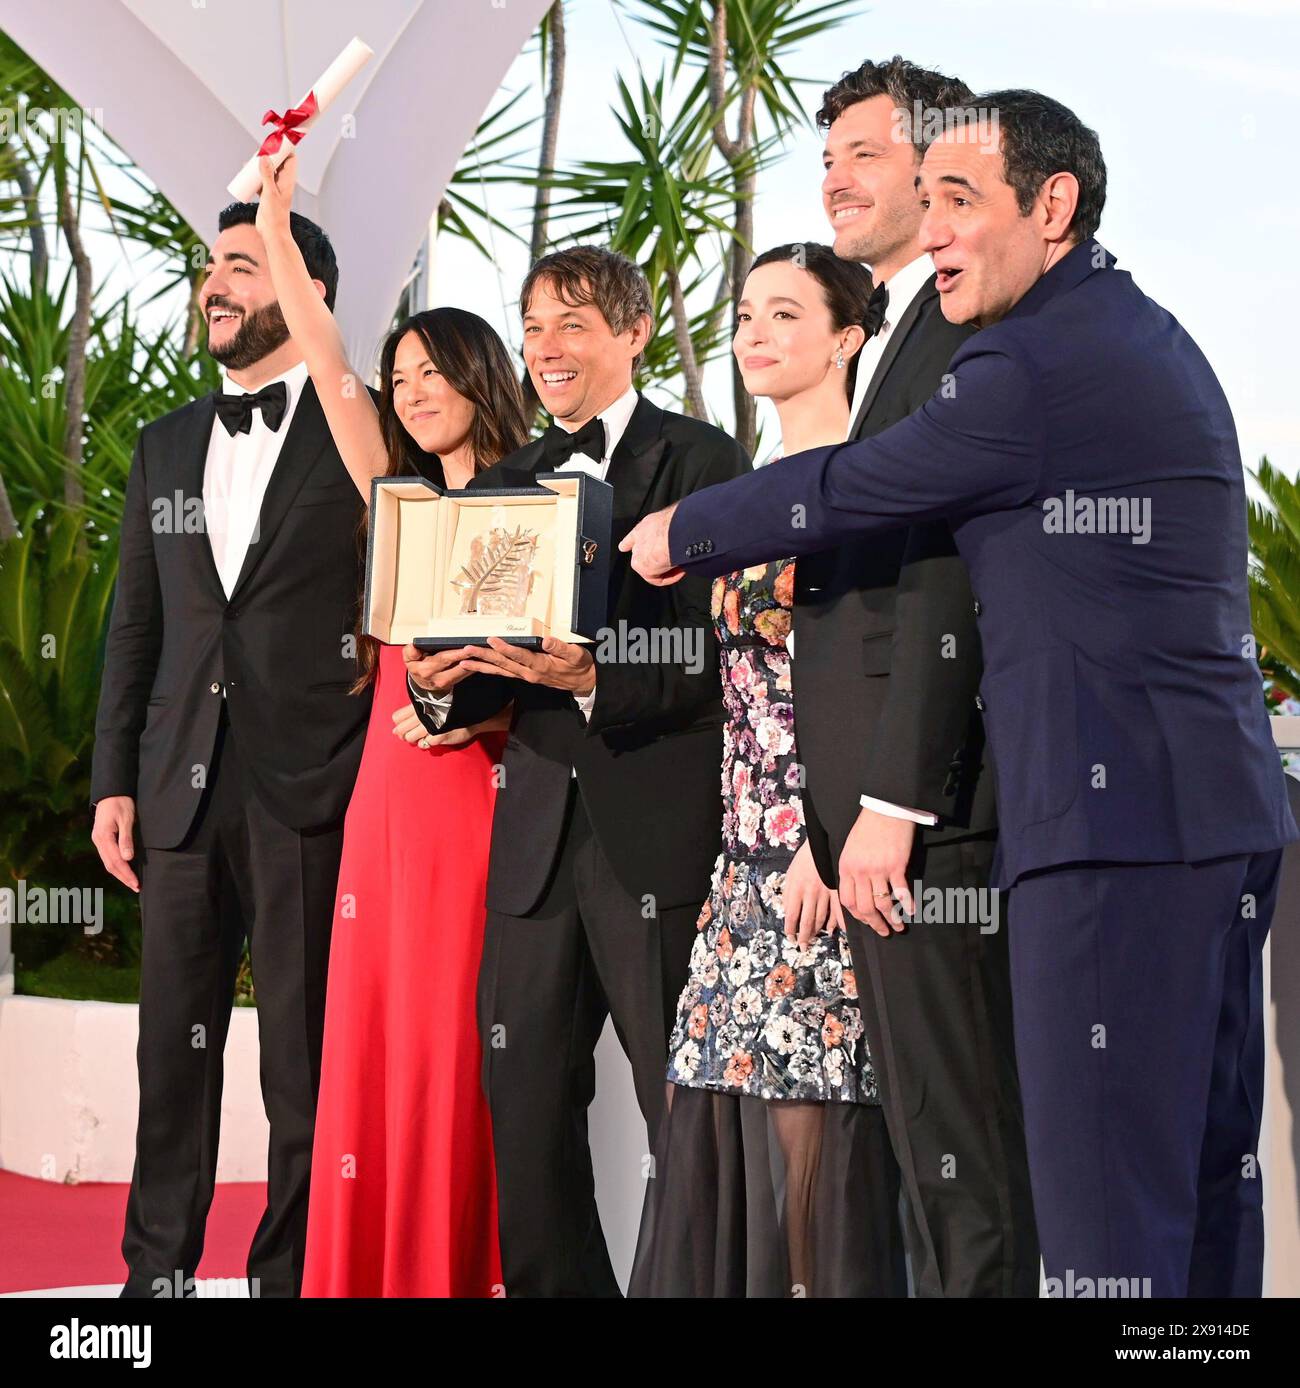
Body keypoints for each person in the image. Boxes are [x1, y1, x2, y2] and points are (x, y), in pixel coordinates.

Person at [623, 91, 1298, 1298]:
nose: (931, 231)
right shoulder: (1134, 331)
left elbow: (859, 484)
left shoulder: (1027, 361)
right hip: (1213, 818)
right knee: (1197, 1194)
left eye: (958, 201)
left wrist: (690, 521)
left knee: (1105, 1222)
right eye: (922, 199)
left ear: (1053, 207)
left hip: (1112, 839)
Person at [404, 246, 751, 1296]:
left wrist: (597, 676)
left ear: (634, 332)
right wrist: (434, 684)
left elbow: (719, 651)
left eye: (571, 324)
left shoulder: (705, 459)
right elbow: (473, 681)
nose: (545, 349)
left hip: (658, 826)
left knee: (677, 1103)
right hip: (534, 841)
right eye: (533, 326)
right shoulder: (500, 485)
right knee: (523, 1097)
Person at [253, 154, 526, 1296]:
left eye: (431, 370)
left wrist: (483, 716)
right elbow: (324, 363)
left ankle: (452, 1270)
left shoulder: (541, 496)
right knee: (371, 1030)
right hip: (385, 795)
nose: (410, 389)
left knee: (455, 1038)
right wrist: (275, 215)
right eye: (401, 372)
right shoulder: (398, 501)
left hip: (480, 794)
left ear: (478, 377)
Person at [90, 195, 371, 1297]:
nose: (216, 283)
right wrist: (116, 777)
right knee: (174, 1052)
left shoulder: (356, 429)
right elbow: (136, 625)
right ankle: (154, 1273)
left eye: (245, 266)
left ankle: (287, 1275)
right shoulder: (164, 443)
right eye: (214, 265)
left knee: (300, 1060)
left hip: (310, 780)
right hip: (176, 786)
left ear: (307, 295)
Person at [796, 57, 1037, 1297]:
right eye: (827, 153)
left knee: (965, 1158)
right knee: (928, 1154)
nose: (834, 174)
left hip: (930, 824)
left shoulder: (961, 325)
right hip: (871, 821)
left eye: (864, 153)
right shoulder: (902, 327)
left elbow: (947, 578)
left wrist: (892, 798)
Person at [630, 244, 906, 1297]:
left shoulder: (873, 478)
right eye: (745, 311)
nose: (752, 332)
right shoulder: (746, 491)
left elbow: (887, 677)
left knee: (812, 1118)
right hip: (738, 861)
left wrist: (822, 836)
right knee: (722, 1116)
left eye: (784, 314)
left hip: (822, 858)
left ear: (847, 336)